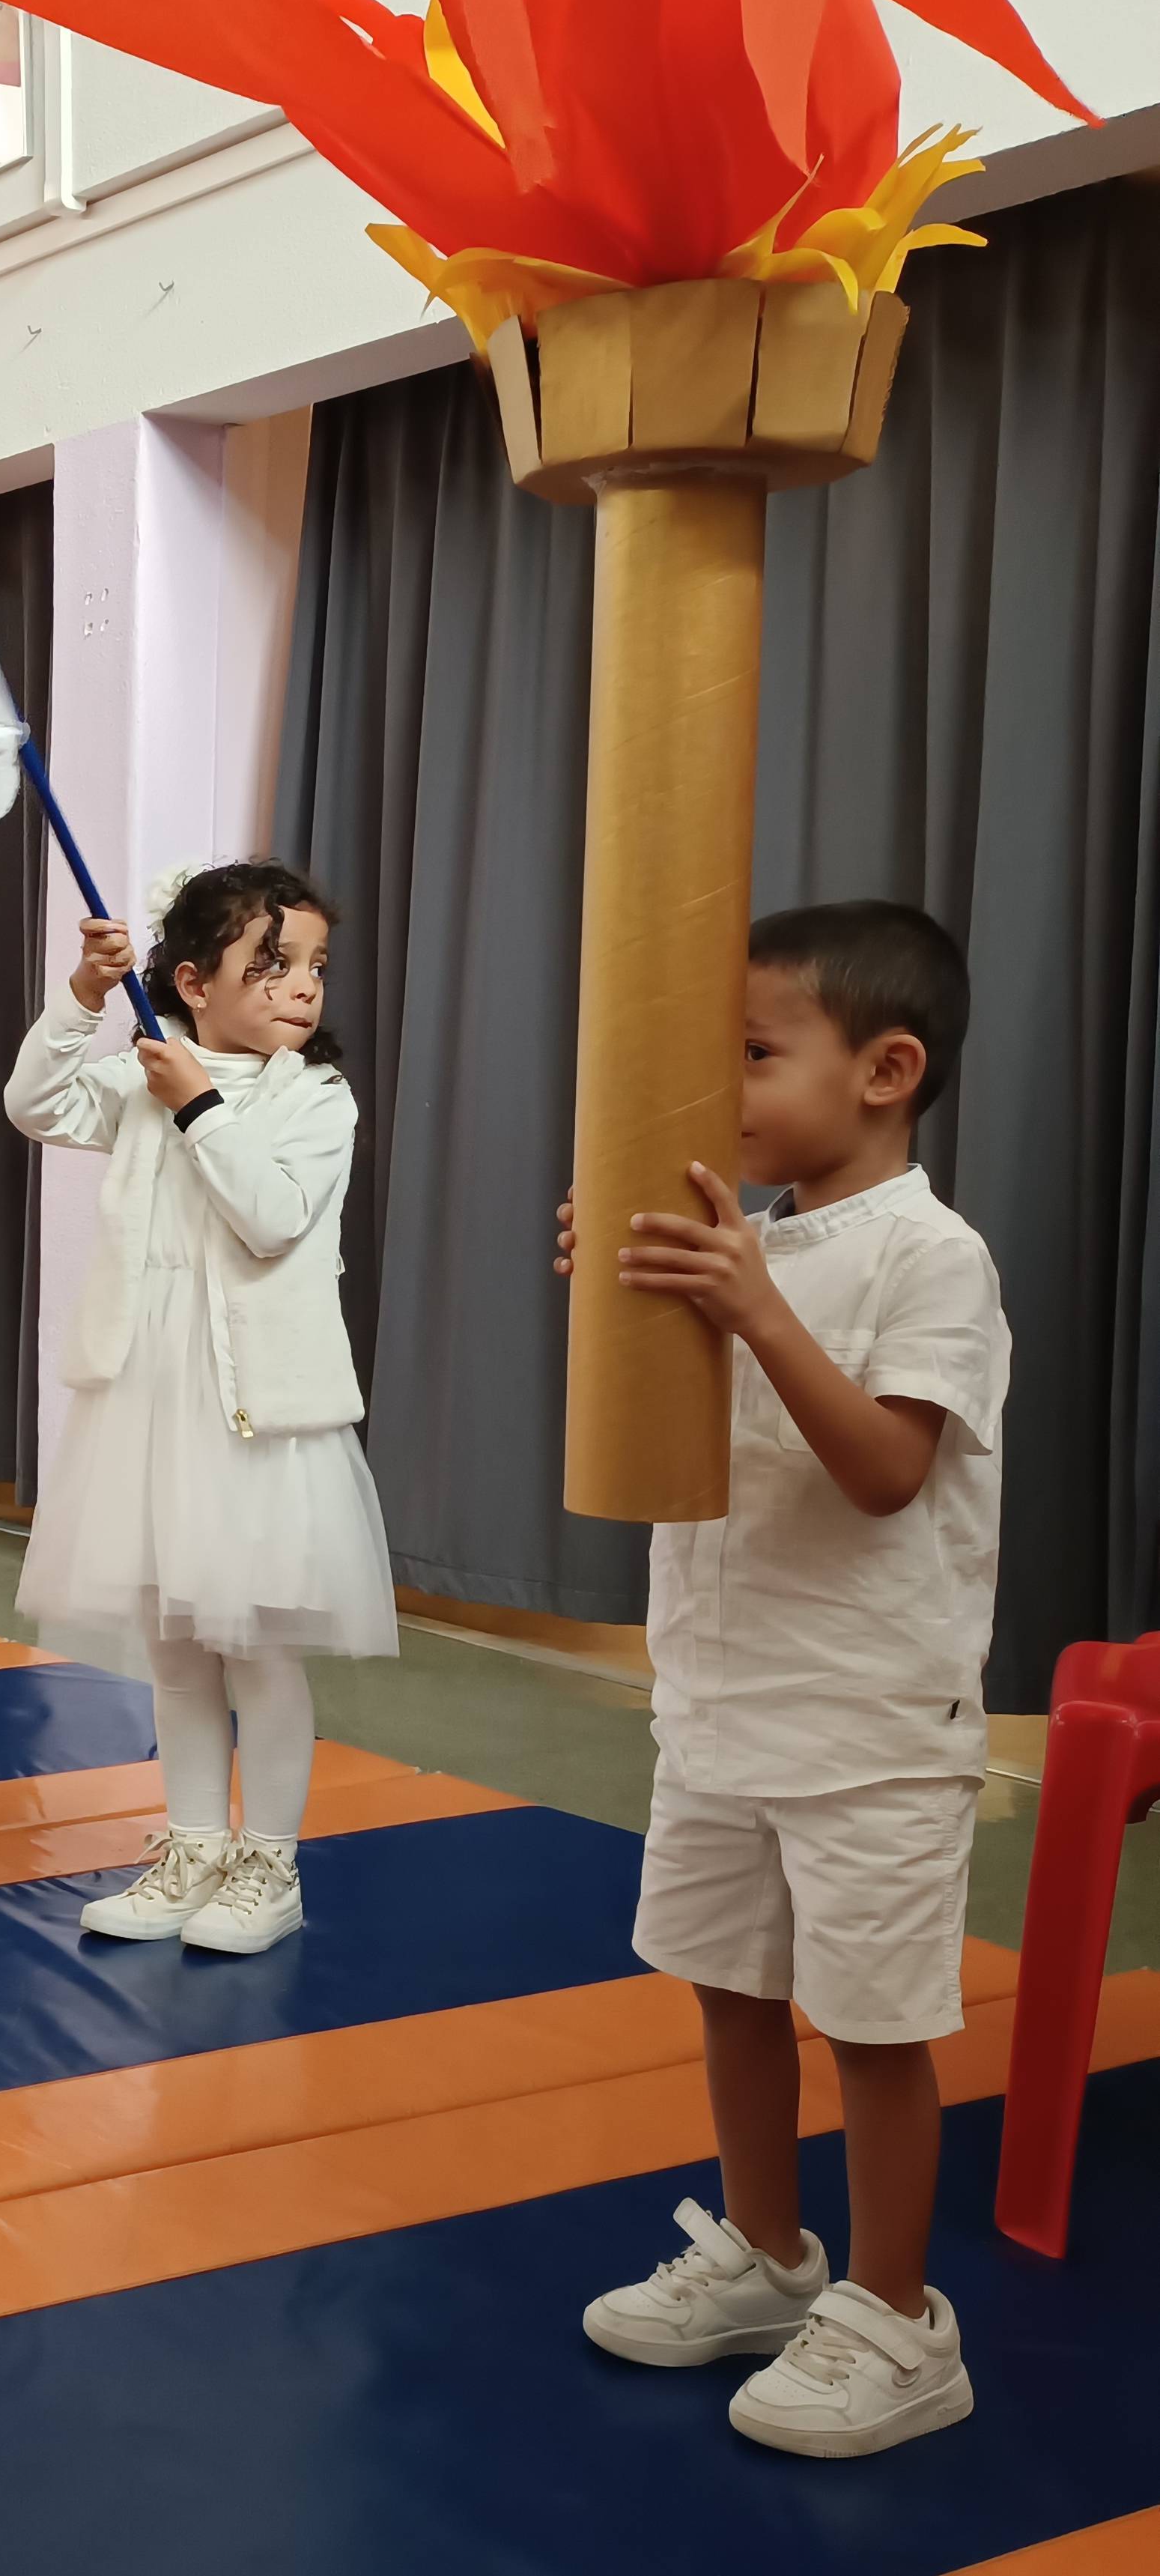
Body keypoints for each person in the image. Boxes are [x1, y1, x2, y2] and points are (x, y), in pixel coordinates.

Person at [568, 900, 1006, 2460]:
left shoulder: (928, 1254)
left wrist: (746, 1303)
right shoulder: (748, 1240)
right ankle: (768, 2254)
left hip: (870, 1718)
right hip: (721, 1698)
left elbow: (888, 1469)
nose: (722, 1086)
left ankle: (899, 2317)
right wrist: (625, 1289)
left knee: (874, 2024)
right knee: (732, 1990)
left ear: (886, 1068)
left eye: (754, 1052)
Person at [6, 859, 393, 1954]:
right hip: (151, 1399)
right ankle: (189, 1848)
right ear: (189, 982)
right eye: (268, 965)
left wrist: (201, 1105)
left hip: (256, 1415)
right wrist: (81, 998)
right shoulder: (143, 1076)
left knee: (258, 1647)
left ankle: (266, 1867)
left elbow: (269, 1218)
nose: (298, 986)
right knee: (174, 1645)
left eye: (313, 966)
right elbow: (32, 1103)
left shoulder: (316, 1097)